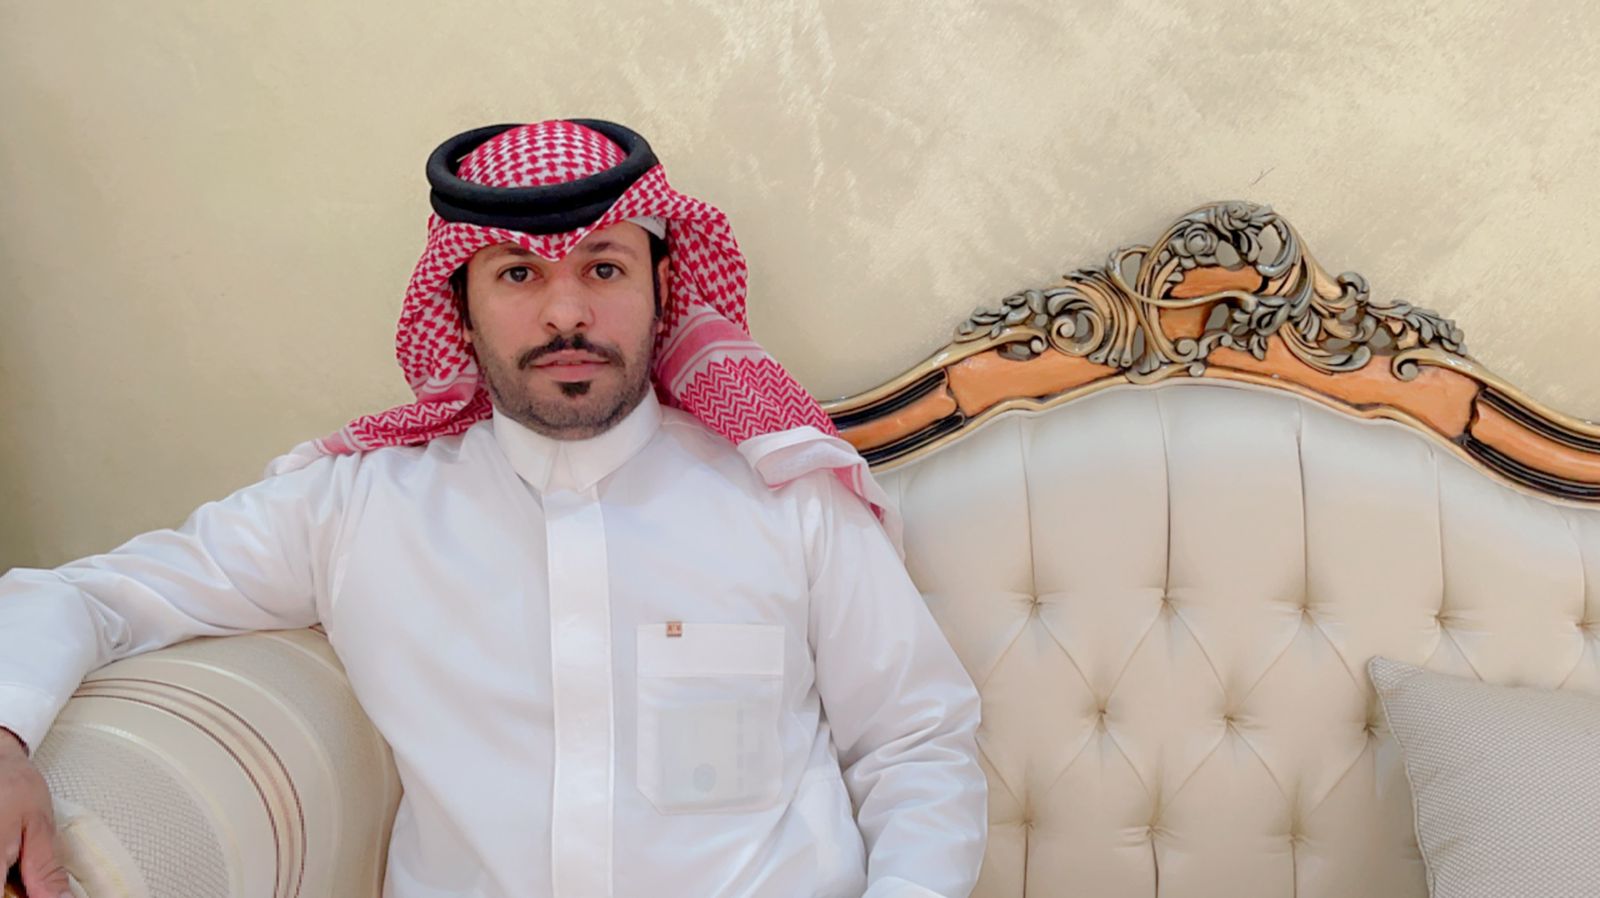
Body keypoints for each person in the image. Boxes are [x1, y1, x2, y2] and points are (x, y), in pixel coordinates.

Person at [0, 119, 987, 898]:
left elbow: (914, 744)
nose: (566, 312)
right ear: (460, 309)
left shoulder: (784, 496)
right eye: (519, 275)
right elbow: (86, 595)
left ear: (661, 288)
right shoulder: (354, 512)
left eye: (604, 267)